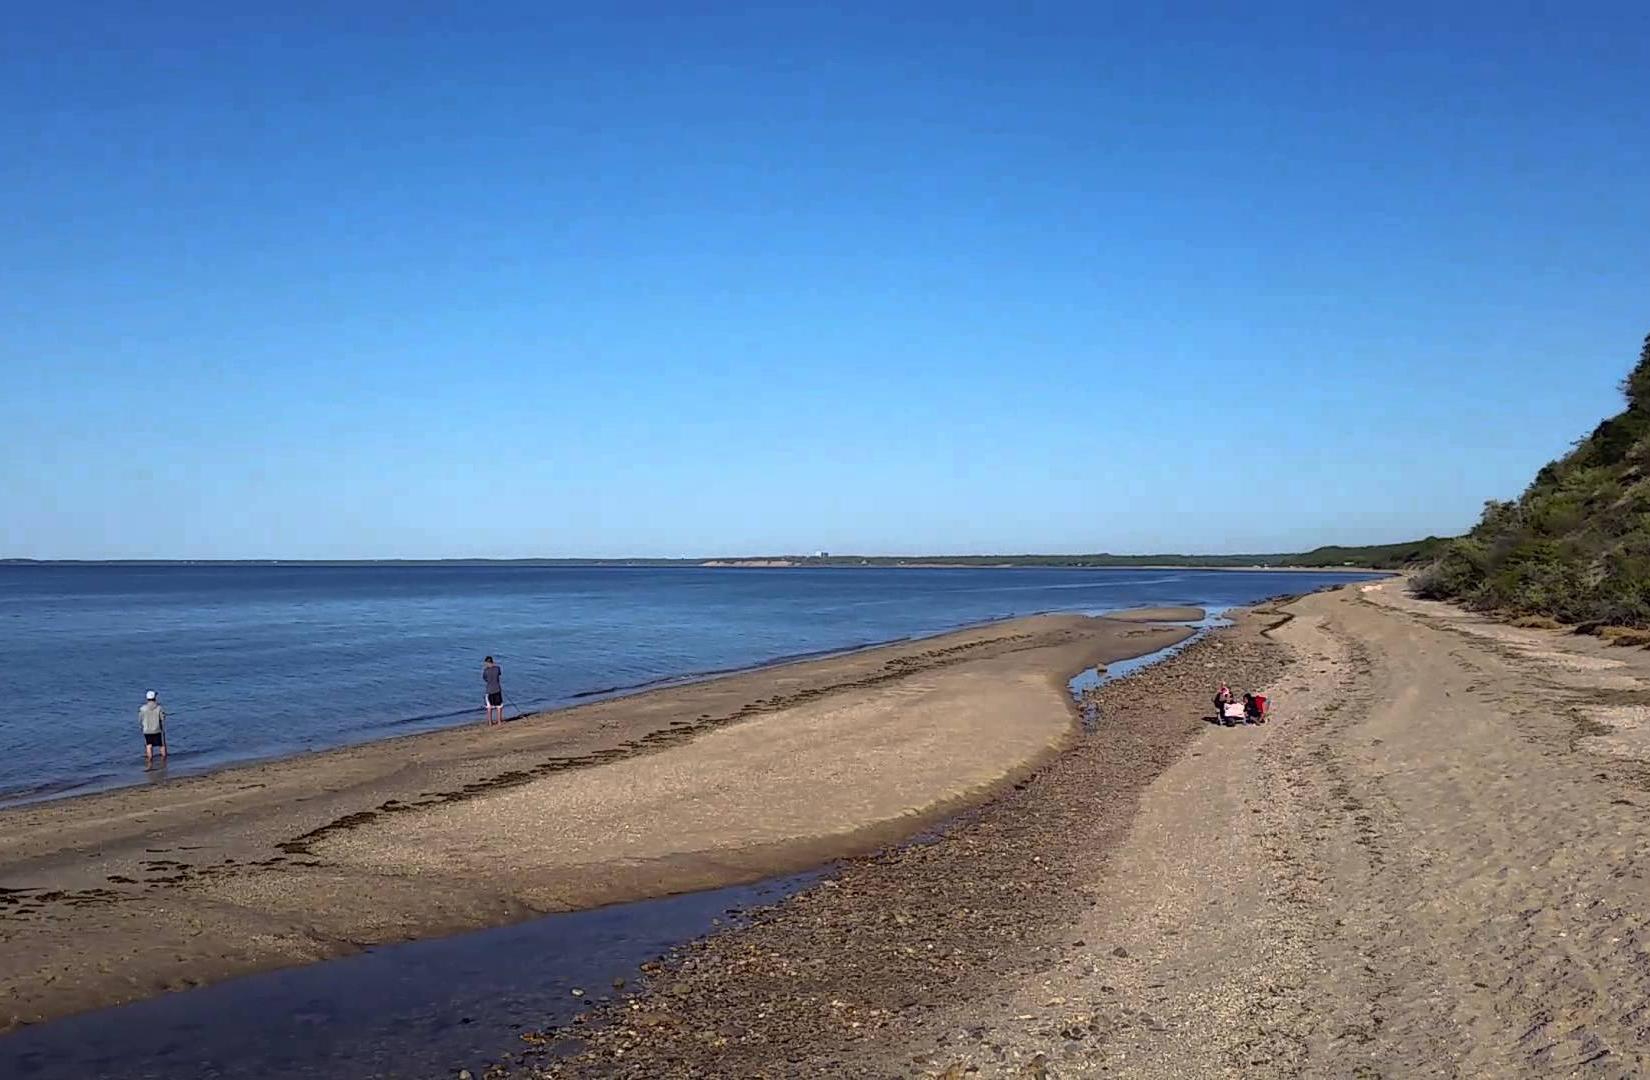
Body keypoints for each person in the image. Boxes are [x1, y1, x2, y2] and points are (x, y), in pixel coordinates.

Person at [139, 690, 167, 769]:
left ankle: (150, 762)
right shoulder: (159, 708)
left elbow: (140, 720)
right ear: (154, 698)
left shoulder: (142, 708)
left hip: (147, 730)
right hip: (157, 729)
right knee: (161, 745)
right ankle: (164, 762)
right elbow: (162, 718)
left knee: (149, 745)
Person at [482, 656, 504, 726]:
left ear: (487, 663)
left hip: (489, 690)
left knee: (489, 707)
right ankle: (499, 721)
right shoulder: (497, 668)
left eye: (485, 663)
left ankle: (490, 722)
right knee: (499, 706)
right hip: (497, 689)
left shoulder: (486, 670)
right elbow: (499, 674)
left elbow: (485, 679)